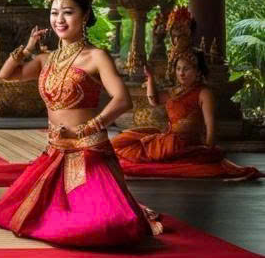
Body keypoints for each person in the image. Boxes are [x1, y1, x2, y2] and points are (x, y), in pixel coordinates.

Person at [0, 0, 161, 247]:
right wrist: (27, 47)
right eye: (54, 12)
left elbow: (122, 100)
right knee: (8, 213)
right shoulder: (46, 58)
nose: (59, 19)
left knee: (102, 226)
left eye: (68, 12)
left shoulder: (96, 57)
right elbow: (7, 74)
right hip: (54, 149)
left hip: (88, 151)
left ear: (85, 16)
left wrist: (90, 127)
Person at [112, 51, 261, 180]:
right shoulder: (175, 91)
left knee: (131, 153)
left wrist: (209, 147)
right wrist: (150, 78)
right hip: (168, 138)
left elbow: (210, 124)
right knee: (123, 141)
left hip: (183, 142)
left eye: (186, 69)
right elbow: (154, 100)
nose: (181, 73)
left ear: (198, 72)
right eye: (178, 69)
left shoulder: (204, 92)